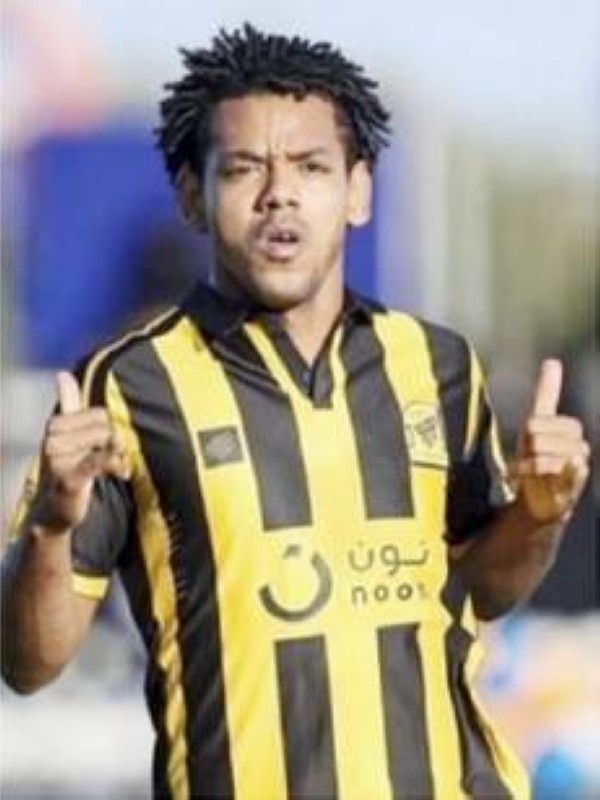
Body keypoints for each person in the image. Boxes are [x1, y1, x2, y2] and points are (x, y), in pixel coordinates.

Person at [1, 23, 590, 800]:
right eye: (244, 167)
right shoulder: (127, 387)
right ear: (193, 195)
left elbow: (479, 591)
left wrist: (539, 515)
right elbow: (29, 665)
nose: (280, 192)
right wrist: (51, 525)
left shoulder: (438, 365)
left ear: (358, 191)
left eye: (311, 166)